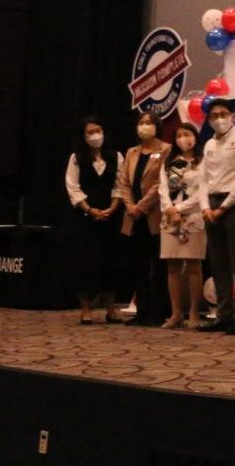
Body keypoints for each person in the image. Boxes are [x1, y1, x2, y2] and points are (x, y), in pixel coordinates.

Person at [198, 98, 235, 334]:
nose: (219, 119)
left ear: (232, 115)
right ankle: (223, 314)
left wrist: (224, 207)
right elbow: (202, 179)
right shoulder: (209, 144)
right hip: (211, 203)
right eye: (214, 116)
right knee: (218, 262)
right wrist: (205, 208)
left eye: (223, 114)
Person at [64, 117, 126, 324]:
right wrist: (90, 210)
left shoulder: (116, 156)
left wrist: (113, 207)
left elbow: (120, 184)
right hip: (85, 216)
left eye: (98, 130)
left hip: (110, 215)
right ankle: (86, 309)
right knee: (85, 262)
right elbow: (72, 186)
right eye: (90, 132)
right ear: (83, 136)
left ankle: (111, 308)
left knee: (111, 261)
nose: (95, 135)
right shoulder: (76, 158)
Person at [118, 111, 170, 326]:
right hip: (133, 217)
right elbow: (123, 182)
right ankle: (142, 311)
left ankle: (157, 312)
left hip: (154, 215)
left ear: (157, 126)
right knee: (138, 265)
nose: (144, 126)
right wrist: (130, 206)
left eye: (148, 122)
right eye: (141, 123)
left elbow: (161, 182)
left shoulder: (166, 149)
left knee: (157, 266)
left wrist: (141, 206)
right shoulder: (132, 151)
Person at [158, 122, 206, 329]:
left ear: (195, 137)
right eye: (179, 135)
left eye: (187, 134)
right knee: (173, 267)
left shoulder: (203, 162)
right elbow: (161, 188)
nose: (183, 139)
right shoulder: (169, 162)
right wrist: (170, 209)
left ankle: (194, 311)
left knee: (194, 266)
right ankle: (176, 311)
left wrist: (181, 208)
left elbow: (203, 190)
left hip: (193, 217)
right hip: (170, 218)